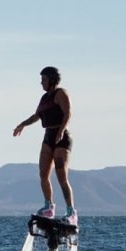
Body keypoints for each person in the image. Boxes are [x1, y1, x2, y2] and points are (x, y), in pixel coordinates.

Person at [13, 66, 77, 224]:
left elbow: (68, 113)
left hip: (61, 138)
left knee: (61, 175)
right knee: (43, 173)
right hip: (48, 137)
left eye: (44, 80)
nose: (41, 83)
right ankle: (49, 207)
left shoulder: (60, 93)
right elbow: (37, 116)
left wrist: (61, 130)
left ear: (52, 80)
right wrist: (22, 124)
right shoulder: (44, 98)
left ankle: (71, 212)